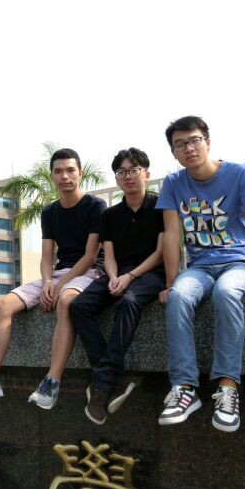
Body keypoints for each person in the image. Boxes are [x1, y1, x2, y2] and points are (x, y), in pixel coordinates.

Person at [156, 116, 245, 432]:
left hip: (241, 262)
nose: (189, 148)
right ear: (173, 152)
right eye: (180, 144)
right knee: (179, 296)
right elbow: (172, 236)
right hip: (200, 266)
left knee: (227, 291)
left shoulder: (239, 174)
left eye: (194, 140)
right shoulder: (173, 183)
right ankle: (184, 388)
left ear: (207, 141)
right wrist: (171, 282)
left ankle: (228, 387)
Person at [0, 149, 105, 404]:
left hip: (88, 272)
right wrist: (48, 282)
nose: (65, 176)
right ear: (52, 176)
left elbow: (90, 255)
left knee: (66, 302)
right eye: (58, 171)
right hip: (58, 273)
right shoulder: (49, 212)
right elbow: (47, 256)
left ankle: (51, 382)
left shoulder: (96, 206)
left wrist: (60, 286)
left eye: (70, 170)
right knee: (2, 305)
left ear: (80, 173)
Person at [68, 148, 165, 424]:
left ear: (146, 173)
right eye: (121, 172)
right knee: (79, 306)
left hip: (151, 273)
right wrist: (112, 277)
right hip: (117, 273)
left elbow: (160, 253)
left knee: (129, 301)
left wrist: (129, 277)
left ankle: (101, 385)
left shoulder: (161, 207)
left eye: (133, 170)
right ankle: (109, 377)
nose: (128, 176)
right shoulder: (110, 215)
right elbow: (108, 255)